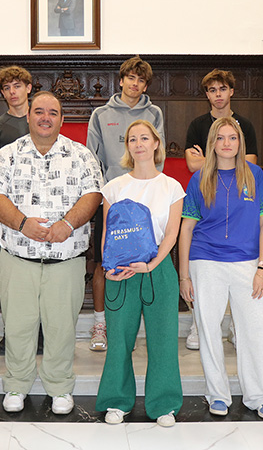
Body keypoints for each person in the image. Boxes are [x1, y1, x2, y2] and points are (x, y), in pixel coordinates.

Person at [0, 91, 103, 415]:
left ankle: (60, 387)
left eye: (53, 112)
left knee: (61, 327)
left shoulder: (81, 155)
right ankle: (17, 385)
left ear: (62, 119)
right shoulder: (8, 155)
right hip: (17, 257)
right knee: (18, 325)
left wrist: (67, 223)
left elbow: (93, 194)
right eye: (39, 111)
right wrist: (22, 223)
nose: (45, 117)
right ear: (28, 117)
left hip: (66, 258)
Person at [178, 117, 263, 420]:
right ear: (212, 143)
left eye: (232, 138)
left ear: (240, 142)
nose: (226, 144)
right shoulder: (199, 179)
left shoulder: (255, 176)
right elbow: (186, 229)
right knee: (209, 330)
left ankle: (257, 395)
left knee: (258, 329)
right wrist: (183, 275)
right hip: (206, 260)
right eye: (220, 138)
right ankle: (217, 394)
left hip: (248, 262)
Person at [95, 120, 184, 427]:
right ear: (128, 146)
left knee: (163, 340)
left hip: (158, 270)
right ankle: (116, 401)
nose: (138, 143)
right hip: (121, 270)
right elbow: (108, 232)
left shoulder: (171, 186)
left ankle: (163, 404)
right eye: (133, 139)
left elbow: (171, 234)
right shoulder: (115, 186)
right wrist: (110, 269)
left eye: (144, 138)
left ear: (156, 143)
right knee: (119, 339)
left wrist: (152, 263)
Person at [86, 56, 165, 352]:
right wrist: (103, 192)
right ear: (120, 80)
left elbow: (159, 153)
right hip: (112, 198)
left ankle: (134, 324)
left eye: (141, 80)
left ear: (146, 85)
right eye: (130, 78)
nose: (135, 84)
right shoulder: (101, 114)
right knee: (103, 259)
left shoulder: (153, 112)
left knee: (143, 257)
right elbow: (91, 156)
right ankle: (100, 323)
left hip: (145, 199)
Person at [182, 69, 258, 350]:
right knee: (205, 279)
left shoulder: (245, 125)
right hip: (207, 198)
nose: (218, 95)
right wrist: (217, 163)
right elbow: (192, 165)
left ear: (231, 92)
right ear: (207, 95)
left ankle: (238, 325)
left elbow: (247, 164)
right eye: (212, 90)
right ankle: (197, 325)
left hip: (239, 203)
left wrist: (211, 160)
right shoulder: (197, 125)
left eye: (222, 89)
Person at [0, 65, 34, 357]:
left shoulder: (41, 118)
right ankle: (11, 333)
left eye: (18, 85)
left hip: (41, 207)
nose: (13, 92)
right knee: (14, 278)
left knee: (40, 274)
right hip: (10, 209)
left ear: (29, 87)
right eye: (7, 88)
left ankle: (39, 333)